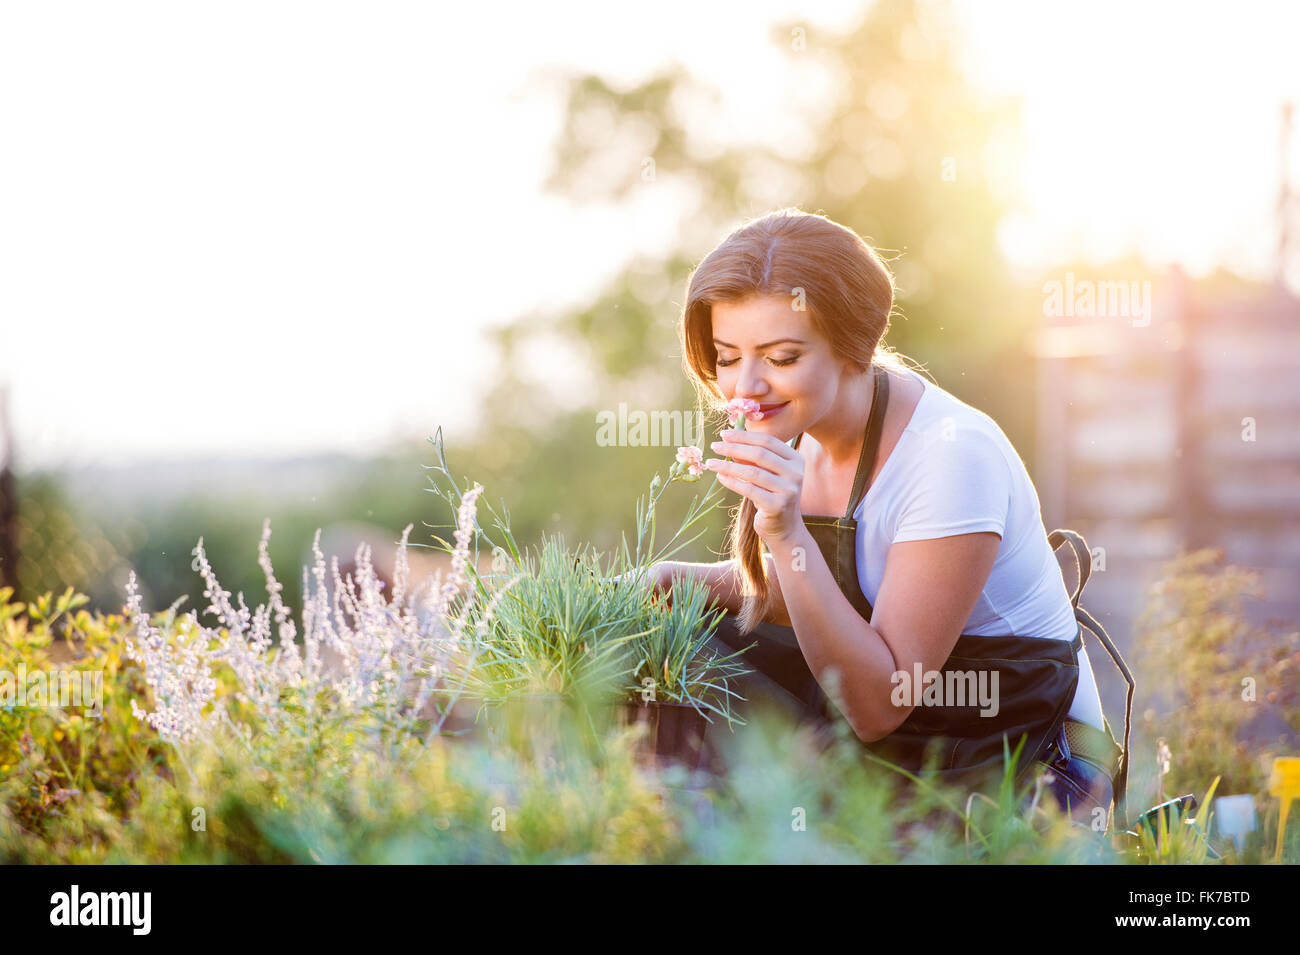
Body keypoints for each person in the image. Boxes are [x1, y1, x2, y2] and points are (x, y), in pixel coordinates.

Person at [648, 207, 1132, 830]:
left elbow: (880, 704)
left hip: (1019, 762)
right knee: (672, 648)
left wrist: (785, 529)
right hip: (912, 738)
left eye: (782, 356)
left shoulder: (951, 455)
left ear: (855, 345)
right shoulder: (802, 426)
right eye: (726, 356)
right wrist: (663, 581)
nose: (747, 386)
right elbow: (813, 591)